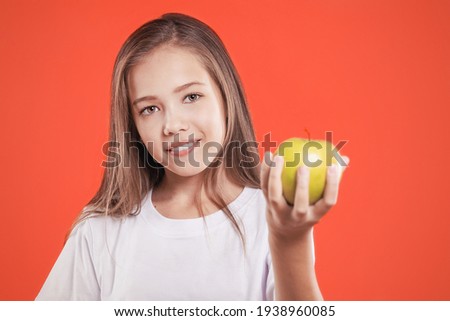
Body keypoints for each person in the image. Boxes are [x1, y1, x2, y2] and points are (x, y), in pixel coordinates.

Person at [36, 12, 349, 301]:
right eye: (149, 109)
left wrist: (289, 240)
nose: (172, 125)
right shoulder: (101, 231)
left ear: (226, 96)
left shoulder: (270, 216)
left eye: (191, 96)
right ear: (133, 125)